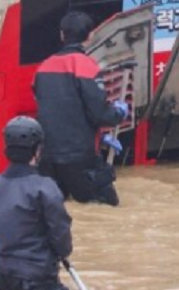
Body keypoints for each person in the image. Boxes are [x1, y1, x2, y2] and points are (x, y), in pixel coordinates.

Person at [33, 11, 129, 205]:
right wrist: (118, 113)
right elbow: (100, 114)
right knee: (108, 210)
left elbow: (53, 109)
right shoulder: (86, 66)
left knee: (56, 212)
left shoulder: (43, 68)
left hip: (48, 158)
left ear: (61, 35)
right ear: (91, 35)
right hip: (80, 158)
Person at [0, 116, 73, 290]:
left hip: (3, 276)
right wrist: (59, 252)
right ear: (37, 150)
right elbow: (61, 237)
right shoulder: (46, 188)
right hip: (39, 278)